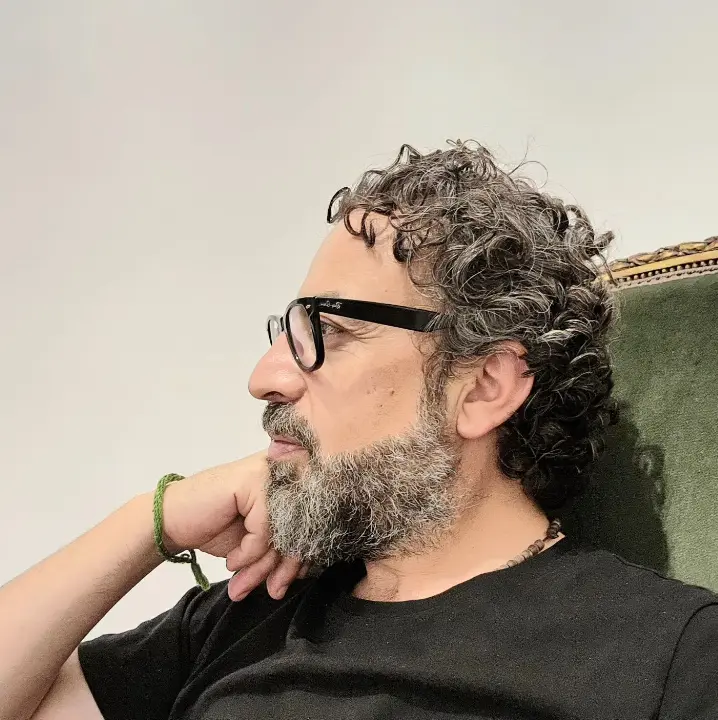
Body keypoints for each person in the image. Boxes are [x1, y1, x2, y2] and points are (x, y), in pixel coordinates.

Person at [2, 141, 716, 720]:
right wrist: (156, 519)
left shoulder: (669, 656)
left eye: (331, 331)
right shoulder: (251, 615)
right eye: (287, 332)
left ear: (484, 386)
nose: (265, 377)